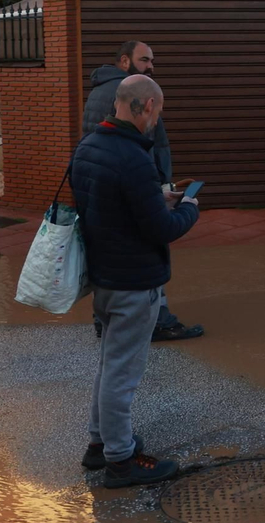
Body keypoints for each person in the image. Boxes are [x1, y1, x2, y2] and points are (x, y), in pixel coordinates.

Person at [72, 74, 199, 488]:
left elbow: (106, 206)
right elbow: (161, 229)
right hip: (134, 283)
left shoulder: (89, 146)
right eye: (157, 112)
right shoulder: (134, 158)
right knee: (122, 375)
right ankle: (121, 461)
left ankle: (99, 444)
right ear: (143, 106)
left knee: (109, 365)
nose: (157, 121)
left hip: (105, 277)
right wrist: (189, 209)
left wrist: (154, 200)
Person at [83, 40, 204, 342]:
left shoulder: (99, 91)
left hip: (104, 189)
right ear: (124, 61)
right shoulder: (134, 94)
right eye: (145, 59)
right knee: (147, 250)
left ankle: (104, 318)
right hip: (135, 184)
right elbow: (153, 144)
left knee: (110, 250)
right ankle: (160, 321)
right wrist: (170, 191)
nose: (151, 66)